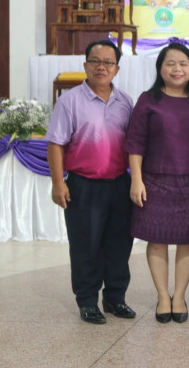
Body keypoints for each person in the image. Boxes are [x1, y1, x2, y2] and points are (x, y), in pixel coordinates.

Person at [46, 39, 135, 324]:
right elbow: (56, 144)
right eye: (95, 61)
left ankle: (115, 298)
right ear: (85, 65)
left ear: (117, 69)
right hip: (83, 185)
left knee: (119, 245)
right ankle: (87, 301)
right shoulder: (70, 101)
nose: (101, 67)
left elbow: (134, 146)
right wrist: (58, 183)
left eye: (108, 62)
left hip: (119, 184)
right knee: (86, 246)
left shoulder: (126, 102)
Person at [125, 43, 189, 324]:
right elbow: (135, 143)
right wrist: (136, 180)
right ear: (160, 67)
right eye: (170, 63)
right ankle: (163, 296)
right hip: (154, 180)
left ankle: (179, 296)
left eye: (183, 63)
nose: (177, 69)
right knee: (157, 240)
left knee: (187, 241)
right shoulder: (148, 100)